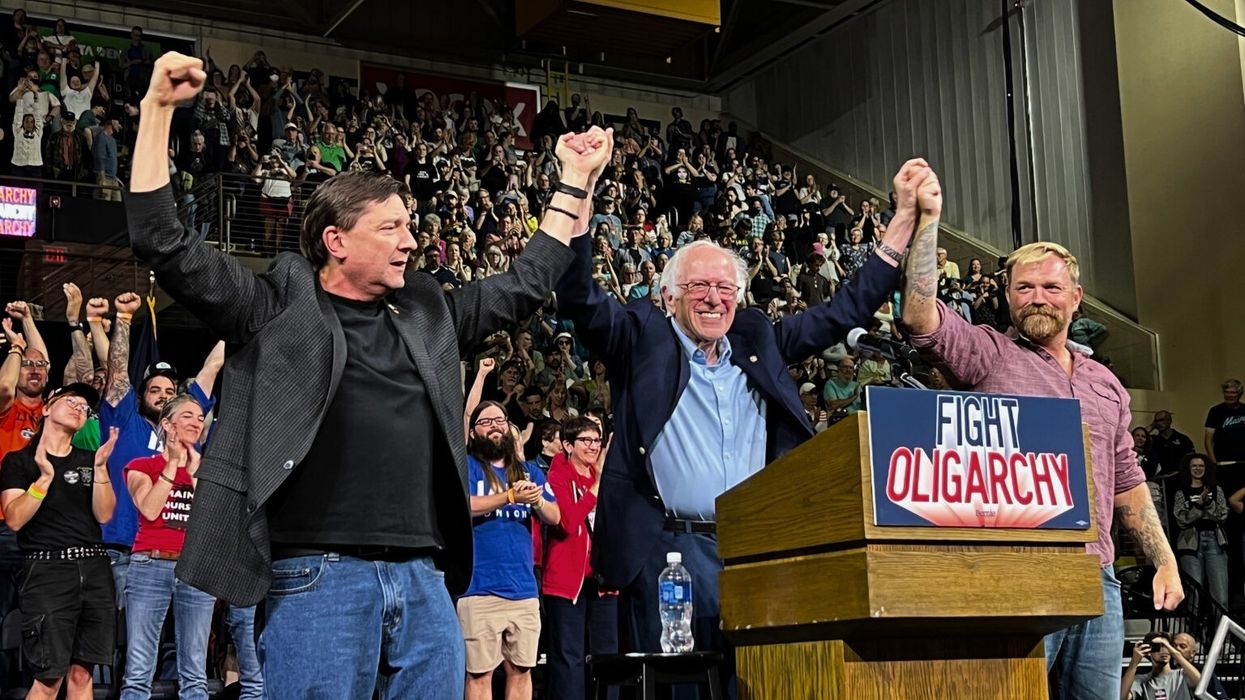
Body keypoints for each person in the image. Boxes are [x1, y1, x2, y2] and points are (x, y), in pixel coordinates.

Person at [124, 52, 612, 699]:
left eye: (409, 225)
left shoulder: (428, 311)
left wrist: (573, 180)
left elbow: (524, 284)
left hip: (423, 579)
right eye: (392, 227)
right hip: (316, 580)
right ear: (336, 240)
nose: (412, 240)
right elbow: (164, 241)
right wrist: (157, 110)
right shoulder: (274, 309)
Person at [552, 155, 928, 684]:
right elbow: (581, 300)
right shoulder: (641, 337)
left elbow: (844, 311)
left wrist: (903, 224)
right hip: (671, 554)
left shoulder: (757, 341)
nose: (714, 298)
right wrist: (579, 207)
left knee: (759, 681)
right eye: (700, 286)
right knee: (681, 689)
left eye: (726, 289)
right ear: (668, 297)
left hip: (756, 550)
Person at [899, 170, 1181, 700]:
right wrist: (928, 223)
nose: (1037, 298)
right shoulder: (987, 354)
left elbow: (1128, 485)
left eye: (1051, 287)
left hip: (1098, 579)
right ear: (1007, 295)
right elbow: (919, 316)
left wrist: (1163, 561)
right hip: (1015, 570)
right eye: (1024, 287)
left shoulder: (1106, 384)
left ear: (1076, 298)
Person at [0, 384, 119, 700]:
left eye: (85, 405)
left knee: (82, 675)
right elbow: (14, 518)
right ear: (47, 407)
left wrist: (100, 469)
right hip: (47, 570)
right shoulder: (19, 461)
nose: (80, 406)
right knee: (49, 678)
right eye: (71, 400)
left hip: (95, 568)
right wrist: (43, 480)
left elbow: (105, 514)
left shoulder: (90, 460)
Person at [119, 395, 235, 700]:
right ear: (167, 424)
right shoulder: (141, 465)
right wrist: (172, 465)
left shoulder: (207, 470)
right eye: (187, 416)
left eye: (200, 417)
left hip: (195, 569)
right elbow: (150, 509)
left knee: (195, 673)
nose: (196, 422)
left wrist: (197, 473)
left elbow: (214, 522)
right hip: (150, 565)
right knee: (138, 671)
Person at [460, 401, 560, 700]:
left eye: (499, 420)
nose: (494, 426)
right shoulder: (467, 466)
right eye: (485, 421)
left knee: (522, 671)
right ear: (474, 432)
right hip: (479, 587)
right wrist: (508, 496)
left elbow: (555, 516)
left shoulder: (529, 472)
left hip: (524, 589)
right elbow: (463, 506)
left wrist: (536, 501)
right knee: (479, 674)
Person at [543, 416, 618, 700]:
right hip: (566, 581)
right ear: (567, 445)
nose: (593, 446)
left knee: (607, 657)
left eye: (597, 440)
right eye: (585, 440)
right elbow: (567, 522)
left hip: (603, 579)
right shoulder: (557, 477)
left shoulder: (609, 478)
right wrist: (595, 490)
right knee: (568, 660)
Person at [1172, 453, 1229, 608]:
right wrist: (1198, 506)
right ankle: (1194, 632)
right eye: (1194, 466)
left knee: (1221, 596)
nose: (1198, 469)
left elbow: (1222, 515)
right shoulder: (1181, 492)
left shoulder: (1216, 489)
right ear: (1188, 469)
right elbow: (1181, 520)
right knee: (1194, 596)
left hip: (1215, 542)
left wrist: (1208, 503)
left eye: (1201, 466)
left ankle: (1222, 632)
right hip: (1190, 544)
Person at [1121, 631, 1199, 700]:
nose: (1163, 650)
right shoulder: (1141, 680)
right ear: (1149, 650)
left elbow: (1199, 682)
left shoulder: (1182, 675)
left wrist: (1175, 653)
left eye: (1166, 646)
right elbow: (1122, 697)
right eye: (1158, 646)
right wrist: (1134, 662)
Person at [1171, 632, 1229, 700]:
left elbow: (1221, 697)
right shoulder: (1166, 669)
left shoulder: (1203, 670)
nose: (1177, 649)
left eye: (1182, 646)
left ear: (1192, 653)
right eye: (1173, 646)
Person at [1204, 379, 1245, 465]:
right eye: (1226, 392)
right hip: (1222, 460)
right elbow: (1208, 440)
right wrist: (1213, 462)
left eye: (1233, 393)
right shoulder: (1215, 411)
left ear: (1240, 394)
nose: (1229, 395)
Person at [1149, 410, 1195, 476]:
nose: (1159, 423)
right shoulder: (1153, 440)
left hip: (1179, 477)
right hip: (1159, 478)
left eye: (1161, 420)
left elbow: (1191, 459)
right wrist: (1152, 426)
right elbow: (1137, 437)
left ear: (1169, 421)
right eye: (1156, 421)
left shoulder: (1183, 439)